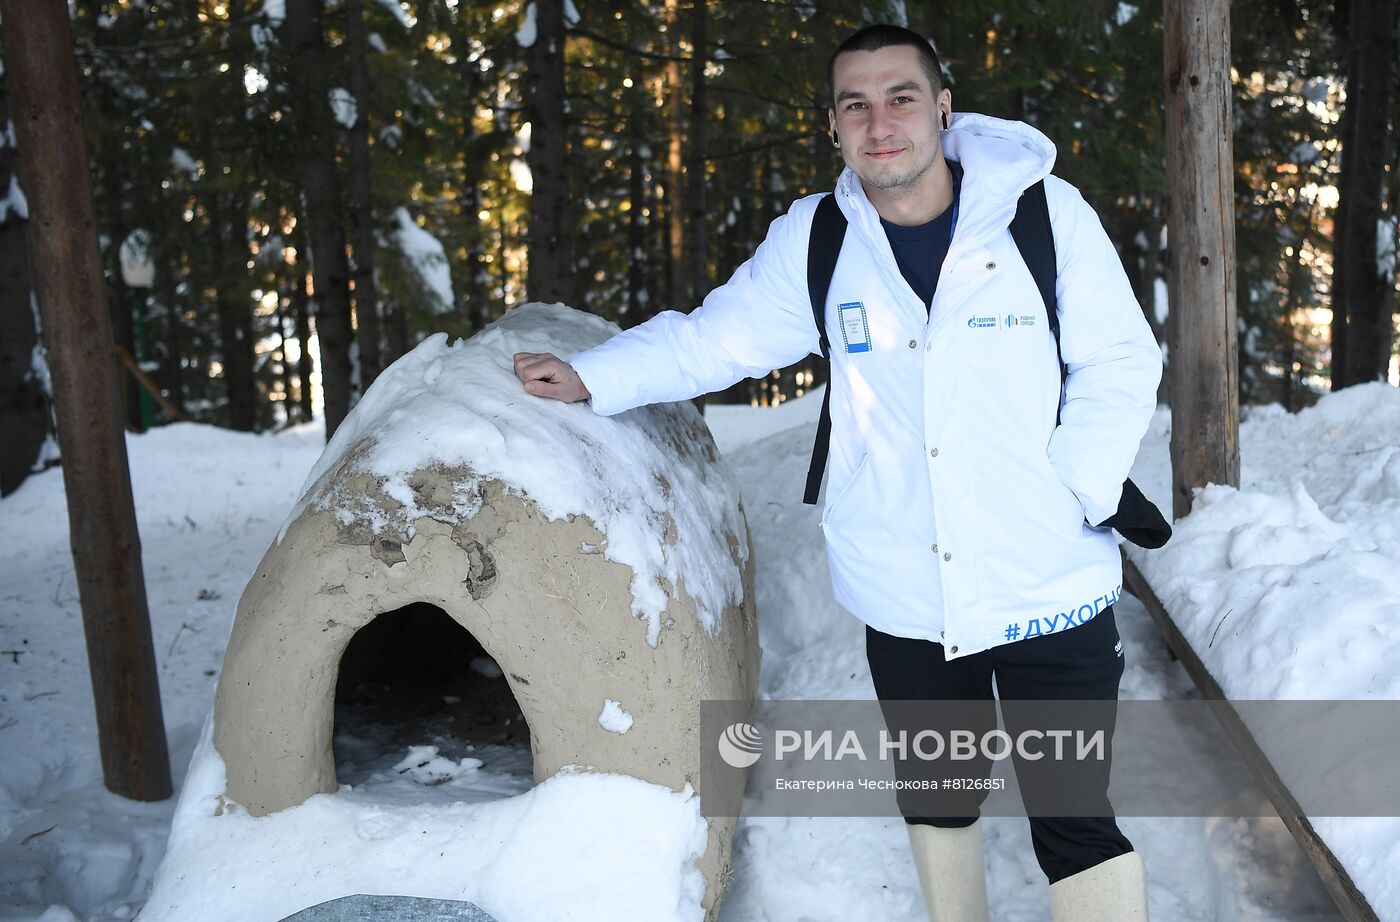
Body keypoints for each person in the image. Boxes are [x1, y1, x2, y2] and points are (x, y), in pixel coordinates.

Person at [514, 23, 1160, 922]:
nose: (879, 123)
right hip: (904, 590)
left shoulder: (1044, 215)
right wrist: (595, 375)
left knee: (1074, 814)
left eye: (901, 97)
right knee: (940, 797)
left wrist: (1078, 485)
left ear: (943, 107)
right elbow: (713, 341)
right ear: (833, 124)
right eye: (855, 105)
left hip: (1049, 579)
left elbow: (1121, 360)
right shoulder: (820, 238)